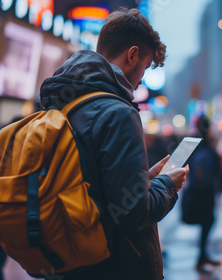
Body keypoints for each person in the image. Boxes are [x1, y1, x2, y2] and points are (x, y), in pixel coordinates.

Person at [38, 9, 189, 280]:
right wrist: (167, 185)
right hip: (115, 266)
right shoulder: (118, 113)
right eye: (144, 67)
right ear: (132, 55)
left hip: (68, 261)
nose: (142, 78)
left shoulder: (61, 103)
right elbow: (132, 213)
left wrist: (145, 178)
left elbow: (95, 185)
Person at [181, 115, 222, 270]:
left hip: (196, 189)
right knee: (208, 220)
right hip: (204, 191)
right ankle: (202, 256)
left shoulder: (190, 142)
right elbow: (215, 170)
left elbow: (175, 163)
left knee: (207, 221)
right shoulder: (206, 146)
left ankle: (202, 256)